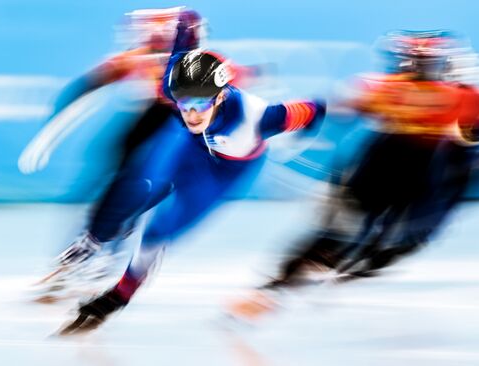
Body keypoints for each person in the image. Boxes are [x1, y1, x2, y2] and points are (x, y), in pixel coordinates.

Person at [226, 30, 479, 321]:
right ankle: (287, 285)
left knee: (364, 234)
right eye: (417, 61)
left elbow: (340, 112)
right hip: (391, 168)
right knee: (360, 234)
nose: (419, 69)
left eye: (424, 62)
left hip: (398, 169)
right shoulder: (453, 96)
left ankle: (295, 282)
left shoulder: (415, 92)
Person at [55, 49, 326, 335]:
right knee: (138, 185)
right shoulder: (173, 82)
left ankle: (118, 296)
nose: (193, 113)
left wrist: (297, 142)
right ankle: (98, 240)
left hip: (222, 173)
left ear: (220, 96)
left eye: (201, 103)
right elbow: (183, 29)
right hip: (188, 148)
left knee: (160, 231)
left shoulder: (259, 117)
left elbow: (315, 109)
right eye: (185, 103)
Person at [30, 8, 265, 302]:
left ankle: (99, 248)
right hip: (155, 121)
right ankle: (92, 246)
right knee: (123, 176)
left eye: (161, 45)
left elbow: (234, 86)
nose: (156, 53)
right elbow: (93, 82)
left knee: (143, 184)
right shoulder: (139, 57)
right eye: (154, 45)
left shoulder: (204, 63)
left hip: (177, 127)